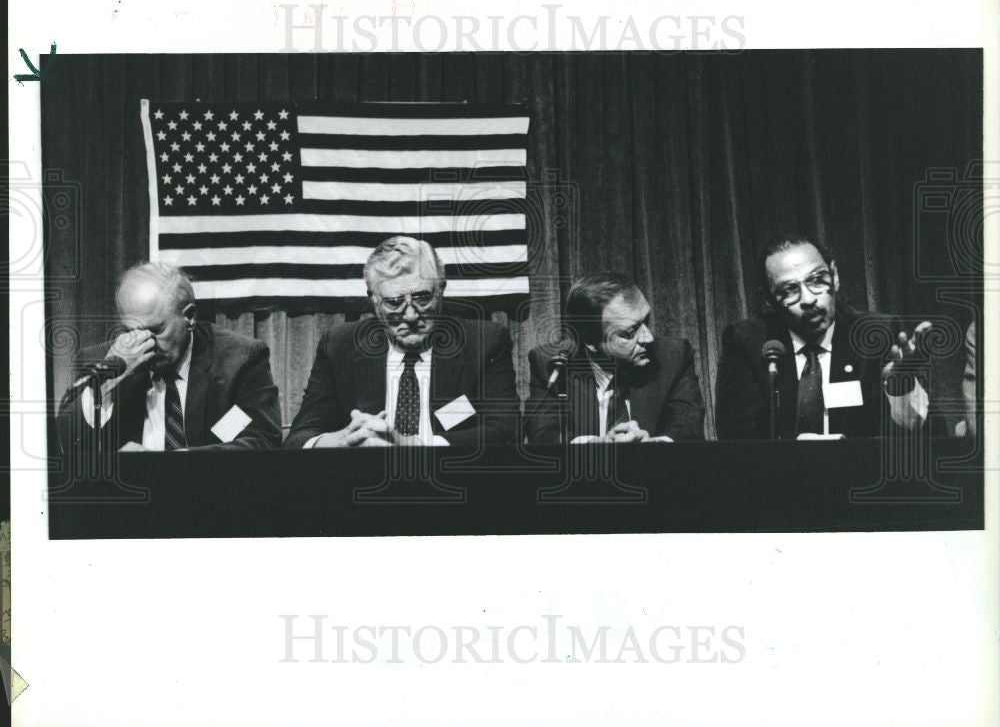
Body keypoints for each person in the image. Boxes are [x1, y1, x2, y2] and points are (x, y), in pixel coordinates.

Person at [284, 236, 519, 448]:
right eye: (394, 302)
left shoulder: (484, 342)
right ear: (373, 301)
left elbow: (506, 431)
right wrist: (341, 440)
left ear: (441, 291)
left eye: (423, 298)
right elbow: (299, 438)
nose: (410, 316)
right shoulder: (339, 345)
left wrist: (416, 446)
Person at [715, 234, 932, 440]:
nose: (808, 299)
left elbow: (926, 435)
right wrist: (798, 450)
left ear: (835, 276)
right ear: (769, 299)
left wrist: (900, 389)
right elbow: (736, 436)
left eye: (817, 280)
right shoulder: (747, 341)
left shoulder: (878, 334)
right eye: (789, 290)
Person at [59, 262, 282, 452]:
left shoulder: (238, 359)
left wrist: (167, 465)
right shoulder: (102, 361)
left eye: (156, 331)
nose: (142, 344)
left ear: (190, 317)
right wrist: (107, 385)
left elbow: (263, 440)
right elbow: (65, 446)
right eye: (129, 331)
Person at [524, 272, 705, 444]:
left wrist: (652, 446)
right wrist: (599, 445)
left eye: (646, 321)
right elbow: (544, 437)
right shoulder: (551, 365)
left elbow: (687, 429)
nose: (647, 338)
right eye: (629, 333)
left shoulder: (673, 356)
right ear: (590, 341)